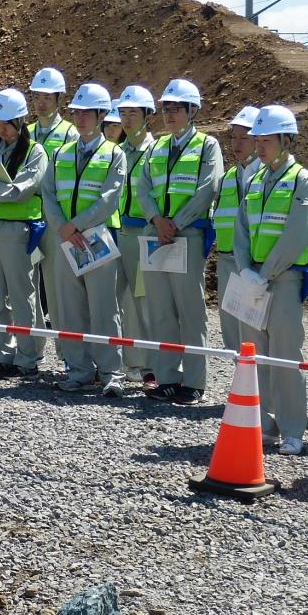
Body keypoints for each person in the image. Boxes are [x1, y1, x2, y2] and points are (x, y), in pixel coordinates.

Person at [231, 105, 308, 455]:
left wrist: (263, 274)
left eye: (267, 140)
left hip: (283, 279)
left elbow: (296, 235)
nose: (260, 146)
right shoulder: (254, 180)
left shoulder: (303, 182)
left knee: (285, 355)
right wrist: (245, 270)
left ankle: (293, 429)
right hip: (252, 276)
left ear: (287, 140)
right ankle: (263, 425)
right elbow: (240, 230)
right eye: (258, 140)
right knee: (254, 355)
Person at [136, 78, 223, 404]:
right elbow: (142, 187)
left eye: (175, 108)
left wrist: (175, 224)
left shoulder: (207, 146)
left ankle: (195, 382)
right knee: (160, 311)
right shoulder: (157, 146)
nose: (169, 114)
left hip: (187, 235)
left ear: (192, 110)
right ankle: (168, 378)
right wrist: (156, 221)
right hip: (157, 236)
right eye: (166, 108)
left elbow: (207, 188)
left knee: (190, 312)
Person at [41, 82, 126, 396]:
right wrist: (62, 227)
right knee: (70, 308)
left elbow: (109, 198)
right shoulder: (61, 153)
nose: (80, 118)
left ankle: (111, 372)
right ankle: (78, 370)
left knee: (104, 308)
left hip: (97, 238)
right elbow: (48, 194)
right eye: (77, 112)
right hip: (66, 240)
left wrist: (74, 225)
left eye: (87, 113)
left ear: (102, 114)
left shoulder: (114, 154)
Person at [0, 88, 48, 378]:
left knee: (22, 295)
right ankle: (3, 356)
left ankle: (28, 359)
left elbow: (20, 190)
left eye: (7, 122)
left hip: (18, 232)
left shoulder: (35, 152)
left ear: (21, 121)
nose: (1, 129)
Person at [26, 67, 79, 337]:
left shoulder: (71, 133)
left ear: (59, 98)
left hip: (55, 217)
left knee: (58, 285)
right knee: (28, 287)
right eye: (37, 96)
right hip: (29, 214)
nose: (41, 102)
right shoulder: (26, 132)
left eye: (47, 96)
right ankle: (33, 350)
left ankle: (65, 349)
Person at [114, 84, 158, 384]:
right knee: (117, 301)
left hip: (144, 233)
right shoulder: (117, 151)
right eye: (123, 113)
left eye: (133, 113)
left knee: (144, 302)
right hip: (117, 231)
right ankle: (125, 362)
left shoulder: (155, 151)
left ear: (147, 116)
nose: (127, 119)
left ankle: (149, 365)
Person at [213, 105, 262, 352]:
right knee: (231, 329)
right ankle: (241, 384)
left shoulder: (267, 177)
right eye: (234, 137)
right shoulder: (229, 177)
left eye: (244, 138)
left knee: (255, 329)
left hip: (255, 265)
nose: (237, 143)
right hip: (228, 261)